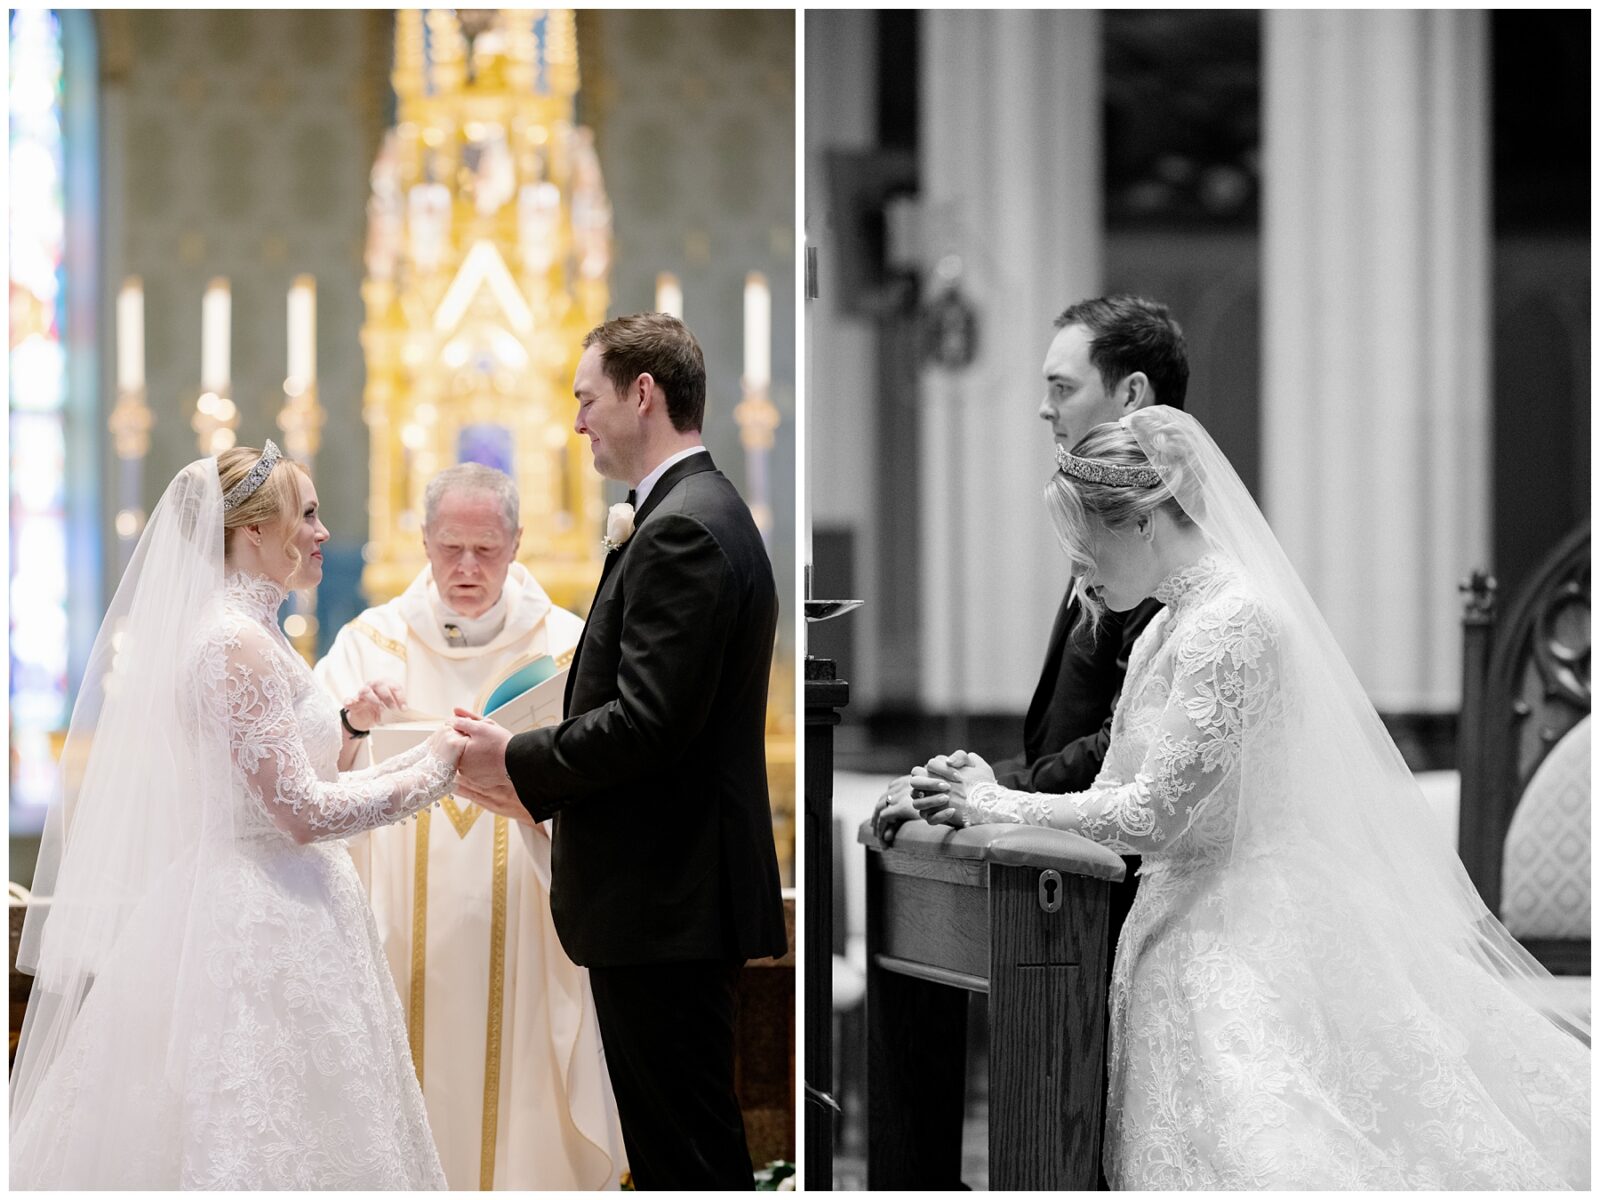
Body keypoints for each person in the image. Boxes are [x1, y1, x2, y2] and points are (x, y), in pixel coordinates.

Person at [910, 408, 1590, 1188]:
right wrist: (991, 797)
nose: (1077, 572)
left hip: (1243, 934)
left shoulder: (1234, 623)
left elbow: (1152, 815)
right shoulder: (1170, 627)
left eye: (1080, 545)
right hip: (1175, 925)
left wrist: (997, 803)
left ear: (1136, 521)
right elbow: (1109, 793)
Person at [10, 442, 463, 1189]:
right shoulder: (232, 644)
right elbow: (300, 813)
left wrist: (347, 727)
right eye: (307, 514)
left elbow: (280, 777)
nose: (323, 532)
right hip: (255, 920)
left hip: (295, 908)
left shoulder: (257, 635)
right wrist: (437, 767)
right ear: (251, 531)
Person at [450, 313, 788, 1190]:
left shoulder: (682, 528)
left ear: (644, 394)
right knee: (679, 1144)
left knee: (688, 1155)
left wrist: (517, 758)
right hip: (667, 895)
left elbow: (649, 723)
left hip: (664, 900)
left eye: (586, 398)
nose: (575, 424)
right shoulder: (692, 512)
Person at [314, 463, 623, 1190]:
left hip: (526, 918)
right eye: (450, 547)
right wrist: (353, 724)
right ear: (423, 541)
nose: (466, 567)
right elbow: (306, 777)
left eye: (485, 550)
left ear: (517, 545)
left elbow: (612, 781)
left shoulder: (568, 650)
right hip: (395, 925)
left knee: (525, 1116)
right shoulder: (371, 645)